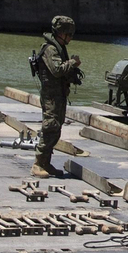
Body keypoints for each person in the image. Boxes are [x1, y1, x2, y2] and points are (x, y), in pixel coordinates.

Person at [31, 15, 82, 177]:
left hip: (58, 95)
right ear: (61, 33)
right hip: (51, 96)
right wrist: (73, 63)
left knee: (56, 128)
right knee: (50, 127)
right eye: (69, 35)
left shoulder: (59, 47)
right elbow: (57, 70)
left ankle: (46, 163)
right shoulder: (50, 49)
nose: (71, 38)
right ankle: (38, 164)